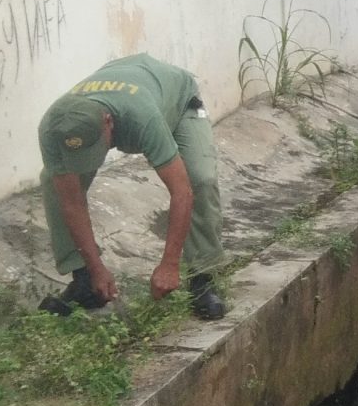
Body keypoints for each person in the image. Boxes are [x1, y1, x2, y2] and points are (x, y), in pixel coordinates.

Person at [37, 53, 229, 320]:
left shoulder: (141, 115)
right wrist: (95, 268)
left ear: (108, 122)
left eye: (93, 150)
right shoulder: (53, 127)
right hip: (128, 84)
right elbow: (71, 202)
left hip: (179, 103)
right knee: (53, 183)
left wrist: (169, 265)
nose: (88, 161)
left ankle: (202, 278)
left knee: (201, 178)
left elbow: (181, 191)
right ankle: (84, 281)